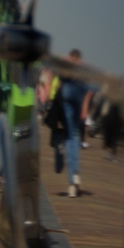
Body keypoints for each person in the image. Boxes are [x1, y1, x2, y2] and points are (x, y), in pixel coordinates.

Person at [60, 49, 92, 198]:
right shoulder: (83, 70)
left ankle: (72, 182)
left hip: (68, 104)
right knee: (74, 138)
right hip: (78, 105)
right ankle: (75, 174)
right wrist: (85, 106)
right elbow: (90, 89)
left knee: (69, 140)